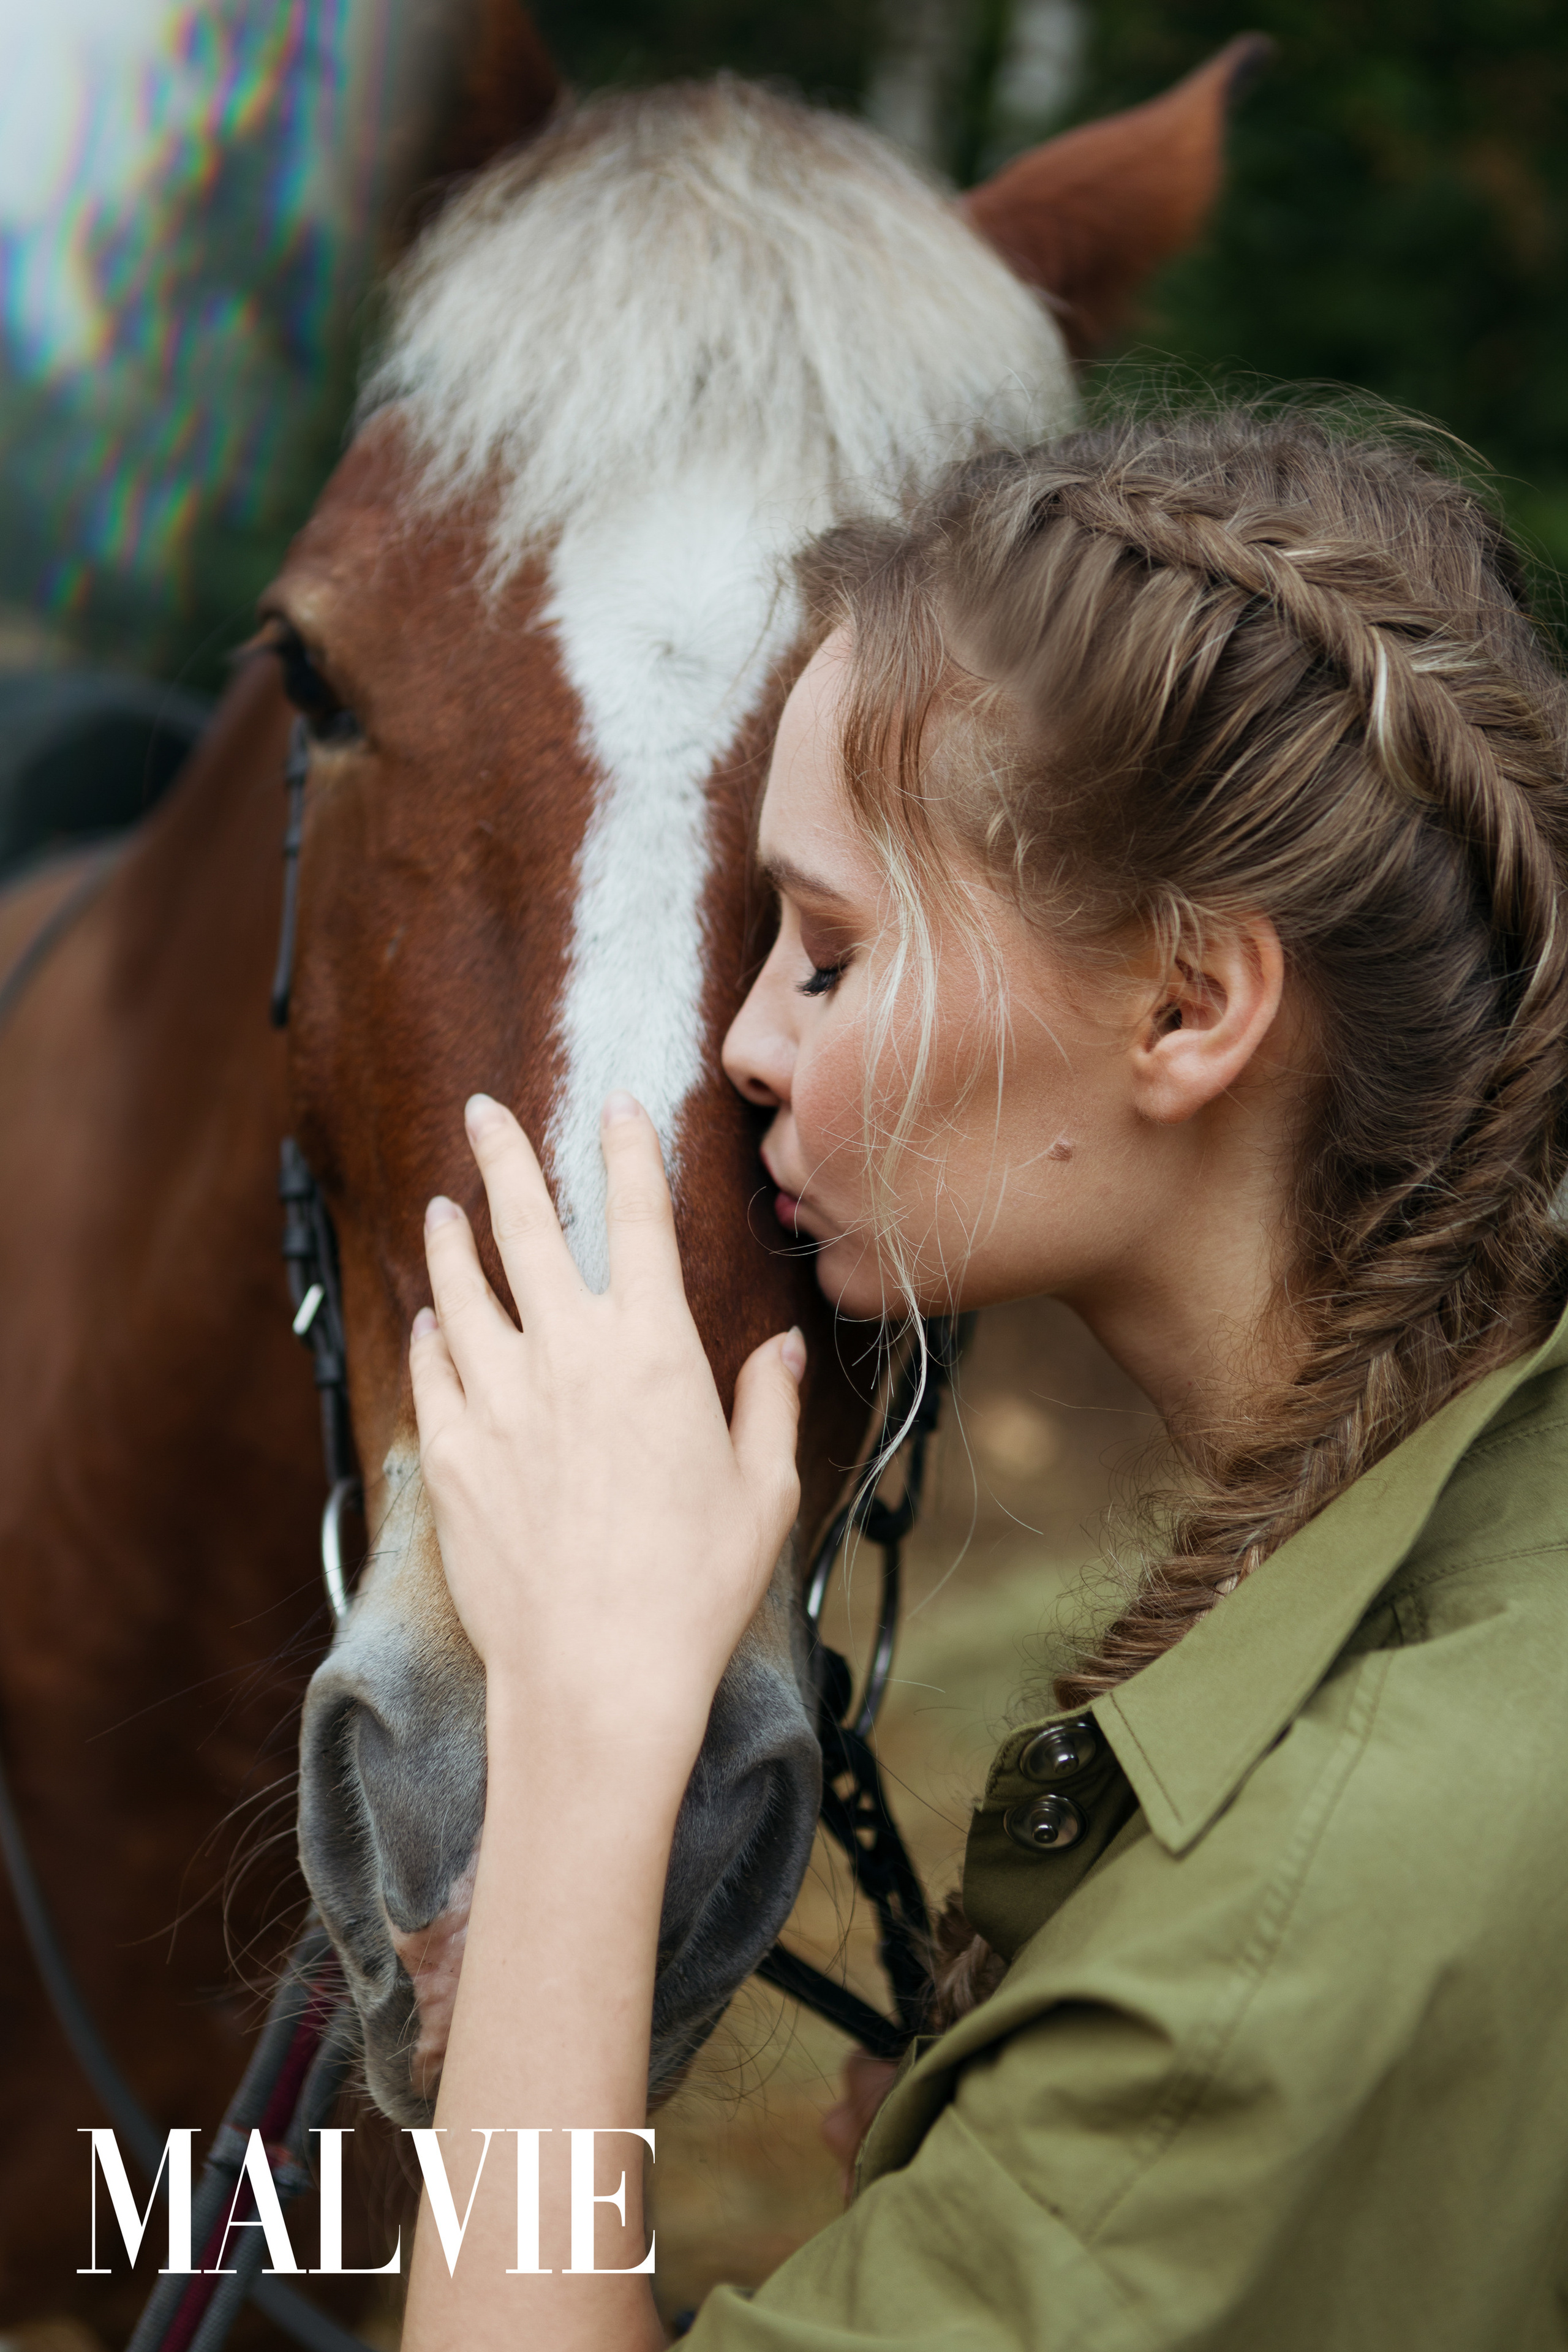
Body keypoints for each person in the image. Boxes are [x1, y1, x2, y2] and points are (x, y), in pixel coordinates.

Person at [396, 404, 1568, 2350]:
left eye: (828, 953)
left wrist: (585, 1742)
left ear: (1188, 1005)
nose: (747, 1044)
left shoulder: (1278, 1941)